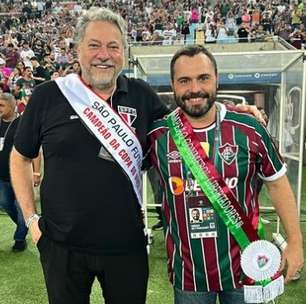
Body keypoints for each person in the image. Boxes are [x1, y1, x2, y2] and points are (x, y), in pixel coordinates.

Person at [10, 7, 266, 304]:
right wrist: (31, 221)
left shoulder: (141, 95)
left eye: (113, 46)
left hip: (126, 246)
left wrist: (231, 112)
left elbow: (185, 126)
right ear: (77, 49)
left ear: (123, 53)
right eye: (94, 45)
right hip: (61, 246)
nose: (103, 54)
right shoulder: (49, 95)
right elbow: (20, 157)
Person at [148, 45, 304, 304]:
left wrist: (296, 242)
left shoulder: (250, 128)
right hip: (190, 276)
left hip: (248, 270)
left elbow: (277, 184)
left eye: (203, 78)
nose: (194, 88)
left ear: (217, 79)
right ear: (173, 85)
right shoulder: (158, 136)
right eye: (184, 80)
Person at [0, 93, 27, 251]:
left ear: (12, 105)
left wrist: (37, 173)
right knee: (5, 203)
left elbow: (36, 150)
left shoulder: (22, 123)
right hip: (1, 175)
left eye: (2, 105)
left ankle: (20, 238)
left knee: (21, 206)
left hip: (20, 175)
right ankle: (23, 226)